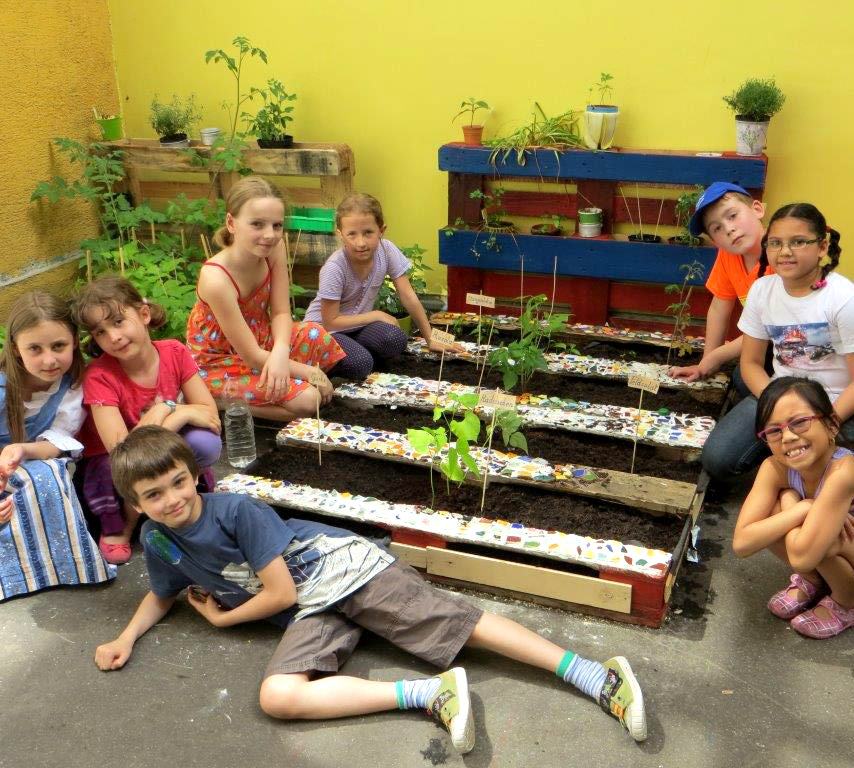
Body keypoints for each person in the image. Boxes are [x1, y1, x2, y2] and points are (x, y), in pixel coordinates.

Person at [94, 427, 648, 751]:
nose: (172, 499)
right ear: (136, 506)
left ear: (195, 476)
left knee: (459, 623)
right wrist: (127, 637)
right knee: (278, 697)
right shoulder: (159, 541)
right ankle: (432, 694)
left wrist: (221, 619)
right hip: (310, 610)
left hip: (342, 571)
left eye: (179, 482)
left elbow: (280, 594)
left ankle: (597, 676)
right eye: (154, 494)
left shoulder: (236, 510)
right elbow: (162, 593)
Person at [73, 276, 222, 564]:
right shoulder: (100, 376)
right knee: (119, 465)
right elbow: (121, 451)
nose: (113, 337)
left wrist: (174, 410)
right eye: (100, 332)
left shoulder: (174, 352)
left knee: (203, 441)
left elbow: (209, 415)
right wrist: (178, 412)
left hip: (154, 443)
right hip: (112, 462)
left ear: (143, 314)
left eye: (118, 322)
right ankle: (122, 523)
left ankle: (183, 501)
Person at [701, 202, 854, 480]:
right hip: (780, 395)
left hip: (836, 402)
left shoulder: (843, 298)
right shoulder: (762, 290)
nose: (785, 252)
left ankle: (794, 460)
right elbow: (750, 363)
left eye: (798, 242)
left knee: (831, 475)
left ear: (822, 247)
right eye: (775, 243)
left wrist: (829, 421)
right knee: (717, 457)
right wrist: (778, 409)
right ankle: (783, 453)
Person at [186, 176, 345, 420]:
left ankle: (272, 388)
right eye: (257, 224)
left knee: (317, 335)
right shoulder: (217, 279)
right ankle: (217, 401)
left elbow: (281, 312)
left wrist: (280, 352)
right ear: (231, 222)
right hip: (220, 361)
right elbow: (250, 355)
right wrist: (313, 374)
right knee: (309, 400)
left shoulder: (274, 248)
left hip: (262, 342)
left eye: (277, 225)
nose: (269, 235)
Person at [0, 291, 116, 600]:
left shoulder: (73, 382)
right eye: (34, 349)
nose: (49, 359)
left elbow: (59, 441)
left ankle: (57, 569)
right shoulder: (2, 386)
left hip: (26, 463)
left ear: (75, 342)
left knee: (47, 474)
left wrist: (23, 450)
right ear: (16, 349)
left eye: (58, 346)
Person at [733, 377, 854, 638]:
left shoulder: (844, 472)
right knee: (779, 516)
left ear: (831, 424)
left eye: (799, 422)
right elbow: (742, 542)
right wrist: (802, 508)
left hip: (845, 548)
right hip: (812, 545)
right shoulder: (775, 468)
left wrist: (791, 503)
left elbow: (802, 556)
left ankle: (846, 602)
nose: (788, 437)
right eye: (774, 431)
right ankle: (816, 581)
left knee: (826, 542)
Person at [303, 192, 450, 380]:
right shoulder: (335, 267)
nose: (361, 242)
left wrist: (430, 337)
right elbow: (331, 322)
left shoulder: (386, 250)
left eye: (368, 232)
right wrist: (376, 315)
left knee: (396, 339)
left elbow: (408, 295)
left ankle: (356, 357)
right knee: (361, 363)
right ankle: (329, 370)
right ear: (340, 235)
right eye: (352, 234)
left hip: (356, 328)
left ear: (382, 230)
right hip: (323, 332)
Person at [669, 182, 771, 390]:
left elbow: (773, 329)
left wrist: (716, 357)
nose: (729, 229)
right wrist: (705, 364)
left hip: (802, 348)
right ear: (715, 241)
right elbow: (719, 308)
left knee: (743, 378)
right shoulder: (729, 255)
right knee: (742, 377)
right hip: (765, 345)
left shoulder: (782, 255)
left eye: (732, 215)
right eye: (717, 228)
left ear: (757, 209)